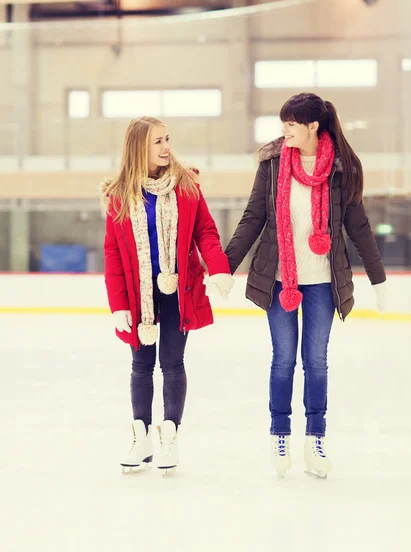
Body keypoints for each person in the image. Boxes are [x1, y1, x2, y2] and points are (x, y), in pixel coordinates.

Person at [225, 93, 387, 478]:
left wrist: (378, 278)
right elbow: (253, 217)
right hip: (281, 280)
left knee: (316, 362)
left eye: (292, 124)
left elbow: (358, 227)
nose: (285, 130)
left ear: (314, 126)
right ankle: (279, 433)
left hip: (322, 283)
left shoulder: (340, 169)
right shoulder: (273, 164)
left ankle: (316, 439)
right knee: (283, 360)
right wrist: (224, 268)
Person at [101, 116, 233, 476]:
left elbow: (205, 230)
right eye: (158, 142)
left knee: (172, 363)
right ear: (139, 148)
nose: (166, 147)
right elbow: (113, 253)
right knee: (141, 365)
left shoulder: (186, 185)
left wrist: (218, 265)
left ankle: (170, 435)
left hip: (180, 288)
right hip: (137, 293)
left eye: (167, 139)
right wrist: (117, 305)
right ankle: (141, 436)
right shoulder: (120, 195)